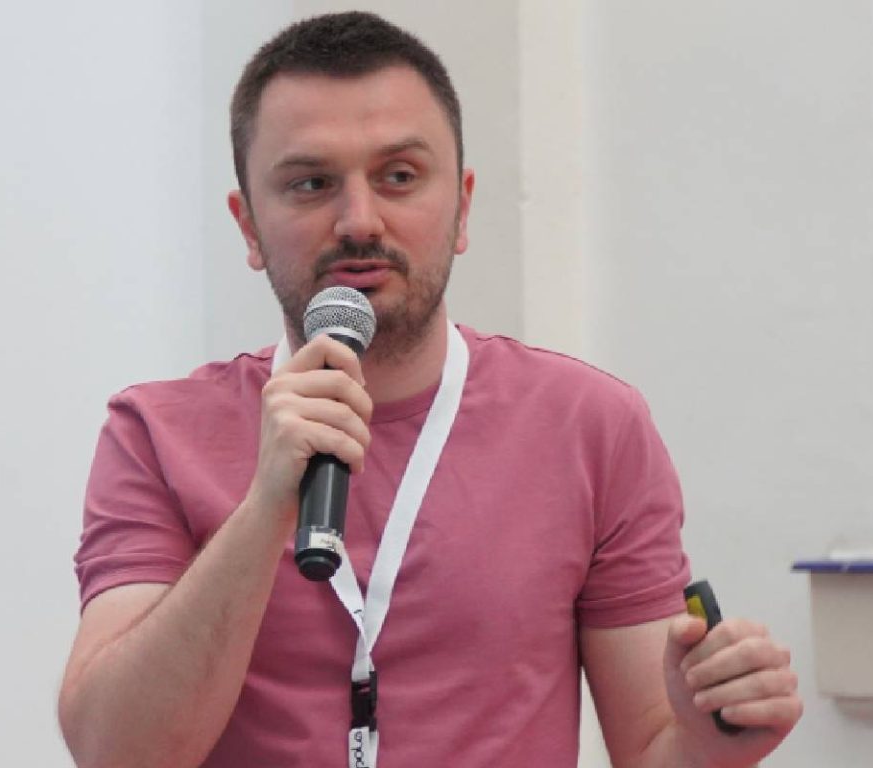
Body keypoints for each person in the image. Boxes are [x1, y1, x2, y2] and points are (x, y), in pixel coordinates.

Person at [58, 11, 801, 768]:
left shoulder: (589, 426)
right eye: (311, 184)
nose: (359, 221)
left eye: (399, 177)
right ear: (248, 226)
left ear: (463, 208)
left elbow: (653, 748)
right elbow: (116, 753)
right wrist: (263, 509)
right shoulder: (155, 434)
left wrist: (712, 739)